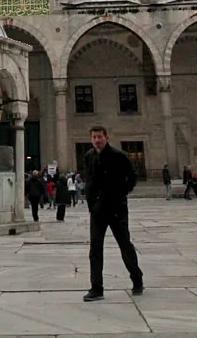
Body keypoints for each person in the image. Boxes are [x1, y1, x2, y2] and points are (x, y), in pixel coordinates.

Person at [82, 125, 143, 302]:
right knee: (95, 249)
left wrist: (120, 195)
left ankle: (137, 279)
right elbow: (90, 181)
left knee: (125, 246)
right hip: (98, 211)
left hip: (116, 210)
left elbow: (132, 177)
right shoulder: (89, 157)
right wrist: (91, 203)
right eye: (94, 137)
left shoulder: (118, 156)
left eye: (100, 137)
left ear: (107, 137)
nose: (97, 140)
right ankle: (96, 288)